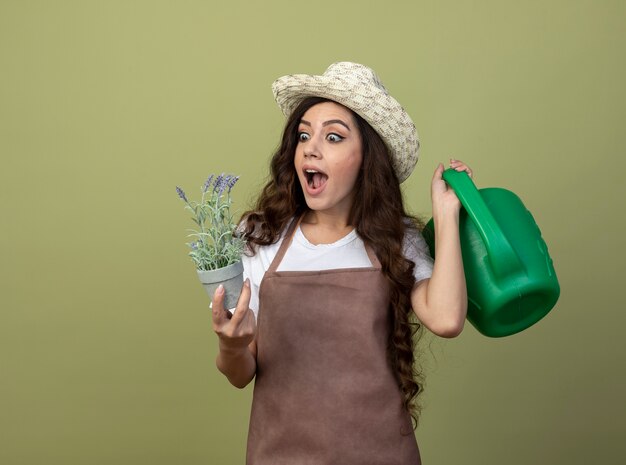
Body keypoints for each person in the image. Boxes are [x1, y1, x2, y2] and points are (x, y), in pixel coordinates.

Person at [210, 62, 472, 465]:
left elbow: (447, 319)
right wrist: (231, 344)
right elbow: (240, 373)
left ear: (367, 159)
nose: (311, 148)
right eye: (303, 135)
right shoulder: (262, 237)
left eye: (333, 137)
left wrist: (449, 213)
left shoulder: (396, 239)